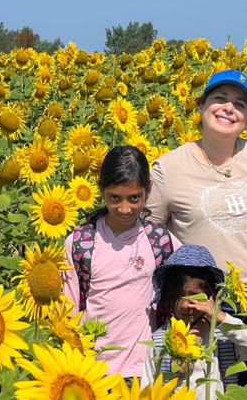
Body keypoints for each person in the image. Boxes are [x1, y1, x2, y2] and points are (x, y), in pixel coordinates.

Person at [146, 69, 247, 303]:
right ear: (202, 105)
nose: (229, 108)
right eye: (220, 98)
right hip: (198, 301)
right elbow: (148, 241)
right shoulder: (168, 168)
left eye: (240, 104)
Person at [62, 146, 182, 381]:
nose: (124, 209)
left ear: (148, 191)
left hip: (146, 371)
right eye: (114, 198)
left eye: (134, 198)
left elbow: (190, 287)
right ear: (102, 191)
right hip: (92, 370)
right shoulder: (80, 243)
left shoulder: (160, 242)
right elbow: (68, 311)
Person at [141, 244, 247, 398]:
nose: (186, 305)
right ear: (167, 296)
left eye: (195, 296)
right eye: (179, 295)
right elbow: (147, 389)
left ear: (211, 297)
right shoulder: (160, 339)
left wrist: (220, 317)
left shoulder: (222, 337)